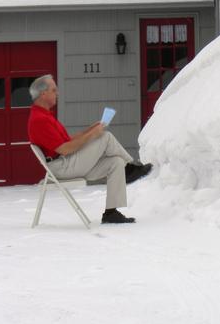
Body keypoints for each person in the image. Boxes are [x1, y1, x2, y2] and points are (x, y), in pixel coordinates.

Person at [27, 75, 152, 224]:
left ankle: (111, 213)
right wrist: (94, 134)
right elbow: (66, 149)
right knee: (106, 137)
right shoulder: (40, 120)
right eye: (54, 90)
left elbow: (68, 141)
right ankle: (130, 168)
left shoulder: (45, 116)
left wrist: (90, 129)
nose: (58, 93)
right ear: (43, 94)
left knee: (116, 162)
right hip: (62, 167)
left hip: (67, 164)